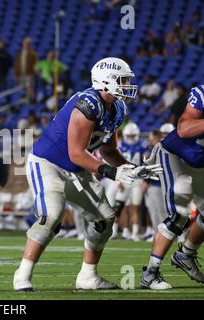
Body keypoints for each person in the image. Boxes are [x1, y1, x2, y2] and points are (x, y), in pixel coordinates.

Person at [12, 57, 162, 291]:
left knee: (104, 219)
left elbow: (109, 149)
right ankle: (22, 275)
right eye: (122, 80)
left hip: (77, 168)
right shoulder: (87, 104)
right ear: (106, 81)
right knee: (51, 216)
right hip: (47, 163)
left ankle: (87, 276)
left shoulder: (118, 108)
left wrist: (130, 167)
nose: (127, 85)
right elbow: (75, 152)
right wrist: (111, 173)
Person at [140, 85, 204, 289]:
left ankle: (185, 255)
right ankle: (150, 273)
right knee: (179, 213)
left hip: (199, 162)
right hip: (174, 155)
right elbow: (184, 128)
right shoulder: (202, 93)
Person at [114, 123, 150, 241]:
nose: (130, 138)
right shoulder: (120, 145)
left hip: (138, 180)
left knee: (136, 206)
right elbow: (117, 164)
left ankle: (135, 232)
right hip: (124, 179)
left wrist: (145, 180)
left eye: (132, 135)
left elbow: (147, 164)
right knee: (120, 206)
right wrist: (118, 179)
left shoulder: (143, 146)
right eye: (128, 136)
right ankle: (122, 231)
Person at [14, 37, 38, 102]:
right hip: (21, 74)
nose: (26, 45)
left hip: (29, 73)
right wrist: (16, 74)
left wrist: (35, 71)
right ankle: (25, 99)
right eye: (25, 44)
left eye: (27, 44)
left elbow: (36, 63)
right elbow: (16, 64)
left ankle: (31, 99)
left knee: (30, 87)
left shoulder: (32, 53)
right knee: (23, 87)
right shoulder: (20, 53)